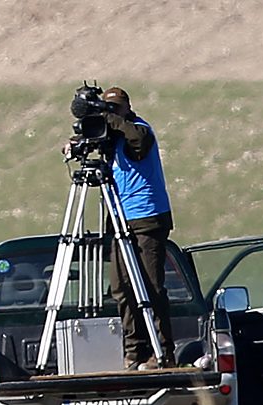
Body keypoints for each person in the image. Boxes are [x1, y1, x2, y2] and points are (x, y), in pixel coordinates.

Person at [99, 86, 176, 370]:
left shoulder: (140, 129)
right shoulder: (110, 137)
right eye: (108, 108)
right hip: (121, 220)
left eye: (116, 108)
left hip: (147, 216)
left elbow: (139, 142)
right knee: (122, 288)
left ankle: (163, 351)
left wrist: (113, 120)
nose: (111, 114)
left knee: (151, 286)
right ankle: (135, 351)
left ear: (127, 108)